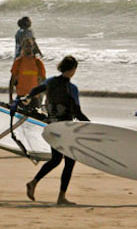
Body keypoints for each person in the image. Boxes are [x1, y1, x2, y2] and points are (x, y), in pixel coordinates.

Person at [22, 55, 89, 205]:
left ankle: (33, 183)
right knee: (69, 161)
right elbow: (77, 113)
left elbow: (36, 89)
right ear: (72, 70)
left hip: (52, 126)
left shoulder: (51, 82)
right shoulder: (71, 88)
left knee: (56, 159)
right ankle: (61, 197)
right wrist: (90, 125)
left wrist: (27, 97)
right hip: (65, 128)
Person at [9, 40, 46, 110]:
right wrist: (10, 98)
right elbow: (12, 80)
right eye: (26, 46)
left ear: (33, 47)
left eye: (30, 46)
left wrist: (47, 98)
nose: (28, 48)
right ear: (22, 47)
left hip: (34, 98)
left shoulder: (38, 62)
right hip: (21, 97)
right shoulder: (18, 62)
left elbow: (44, 81)